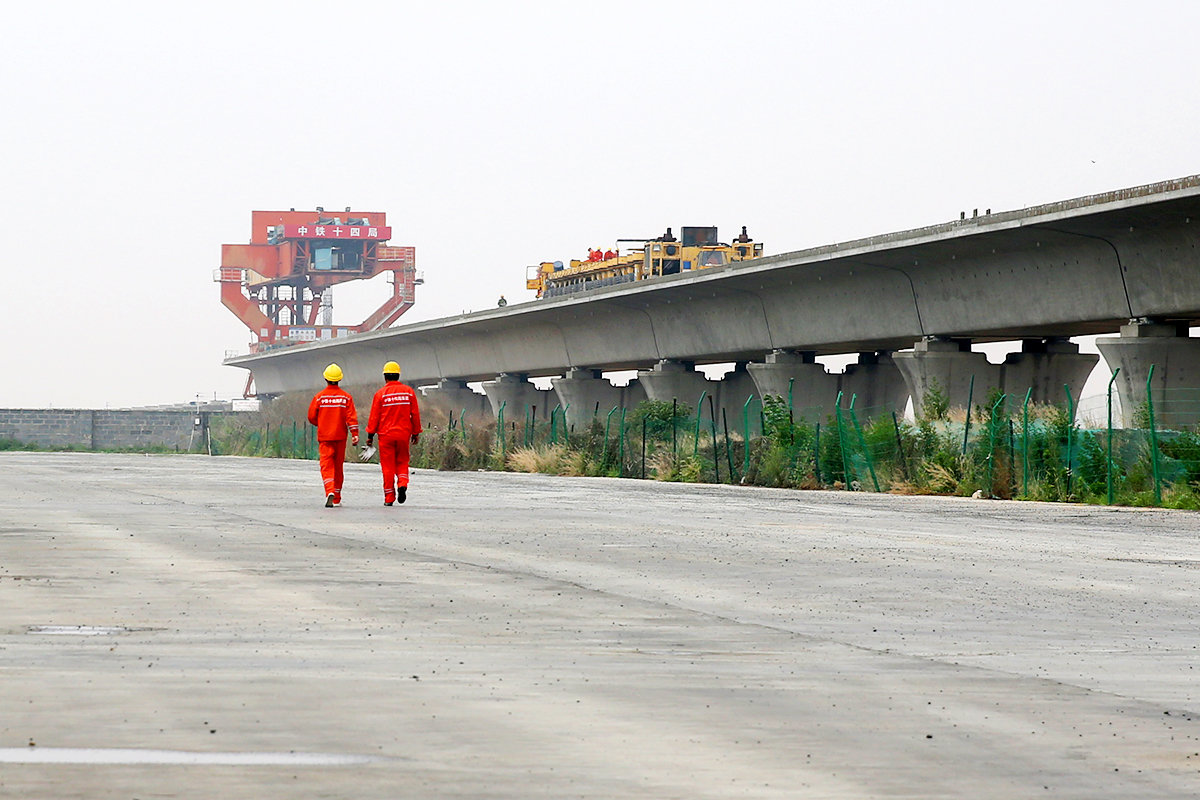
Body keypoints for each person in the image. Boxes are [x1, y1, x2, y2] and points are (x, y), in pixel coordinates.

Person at [365, 360, 422, 506]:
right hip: (404, 434)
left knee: (388, 466)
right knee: (402, 461)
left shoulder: (380, 394)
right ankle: (402, 484)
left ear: (385, 377)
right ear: (398, 375)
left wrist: (370, 436)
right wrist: (416, 432)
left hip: (386, 435)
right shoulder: (409, 392)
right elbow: (414, 414)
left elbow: (374, 417)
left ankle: (389, 497)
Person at [307, 363, 359, 507]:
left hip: (325, 437)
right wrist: (355, 433)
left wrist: (322, 423)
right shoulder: (346, 398)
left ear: (326, 378)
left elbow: (311, 416)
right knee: (338, 467)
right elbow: (351, 417)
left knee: (326, 466)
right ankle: (336, 497)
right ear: (339, 379)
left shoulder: (319, 397)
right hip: (340, 436)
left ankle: (329, 490)